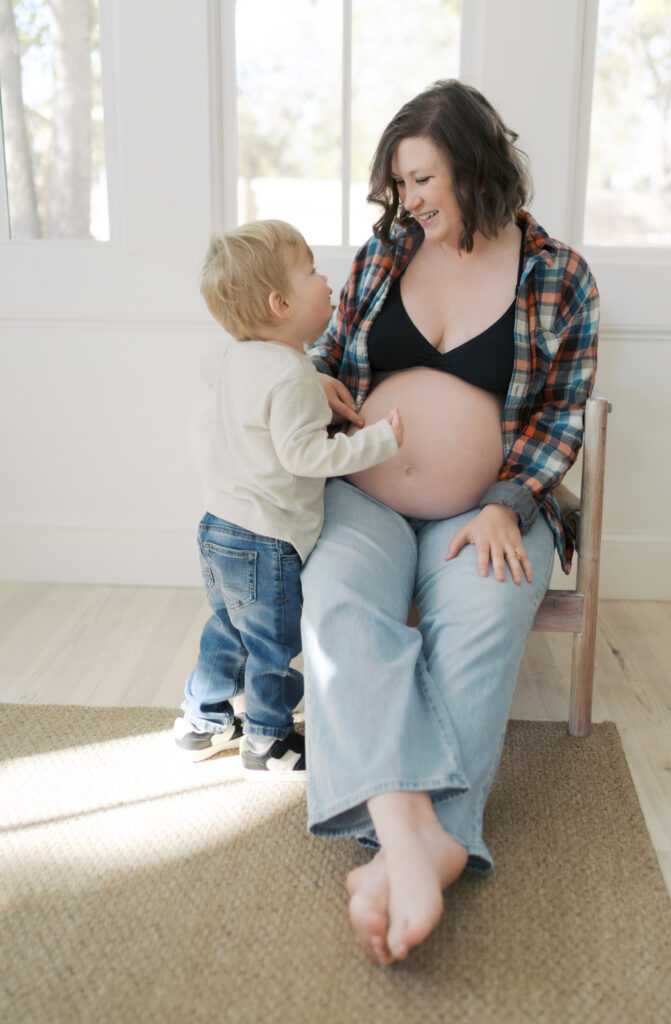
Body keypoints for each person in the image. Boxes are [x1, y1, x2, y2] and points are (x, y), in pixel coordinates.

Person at [300, 80, 599, 960]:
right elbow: (326, 355)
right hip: (364, 492)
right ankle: (414, 834)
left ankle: (412, 848)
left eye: (422, 178)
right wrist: (311, 383)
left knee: (480, 622)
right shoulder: (382, 254)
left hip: (493, 505)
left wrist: (509, 505)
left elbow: (564, 411)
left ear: (474, 165)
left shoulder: (557, 275)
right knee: (338, 607)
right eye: (398, 184)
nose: (408, 201)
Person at [174, 219, 403, 779]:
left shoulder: (230, 357)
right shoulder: (290, 374)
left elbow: (230, 391)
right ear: (281, 303)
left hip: (217, 525)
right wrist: (381, 440)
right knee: (273, 643)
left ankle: (201, 720)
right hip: (266, 537)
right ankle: (269, 740)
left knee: (227, 626)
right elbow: (307, 457)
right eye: (313, 272)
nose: (328, 282)